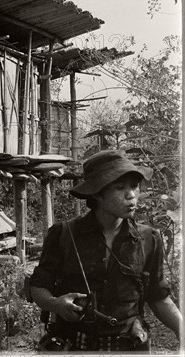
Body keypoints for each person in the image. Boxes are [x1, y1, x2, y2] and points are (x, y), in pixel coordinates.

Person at [29, 150, 182, 352]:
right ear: (96, 193)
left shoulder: (148, 239)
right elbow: (37, 287)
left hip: (130, 348)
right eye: (120, 188)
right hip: (74, 347)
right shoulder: (63, 235)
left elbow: (159, 297)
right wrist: (55, 304)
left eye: (134, 186)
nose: (131, 195)